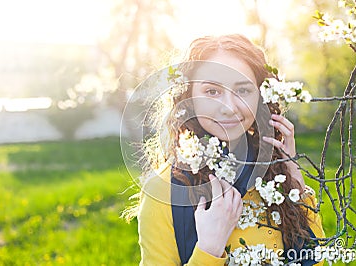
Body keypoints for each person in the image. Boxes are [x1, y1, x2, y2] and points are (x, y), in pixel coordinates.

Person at [134, 34, 325, 265]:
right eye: (212, 92)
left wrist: (293, 176)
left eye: (243, 91)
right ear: (189, 97)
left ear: (260, 97)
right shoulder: (165, 190)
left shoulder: (275, 177)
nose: (229, 108)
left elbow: (314, 259)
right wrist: (209, 249)